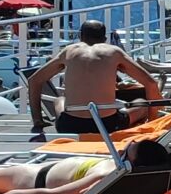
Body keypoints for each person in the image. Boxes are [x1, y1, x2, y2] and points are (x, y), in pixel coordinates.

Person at [24, 20, 160, 135]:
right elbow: (151, 84)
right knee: (141, 103)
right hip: (107, 125)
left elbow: (34, 80)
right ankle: (153, 123)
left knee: (59, 100)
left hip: (69, 126)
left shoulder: (69, 51)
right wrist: (153, 119)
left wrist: (37, 120)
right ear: (105, 39)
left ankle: (38, 120)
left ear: (80, 36)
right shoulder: (114, 52)